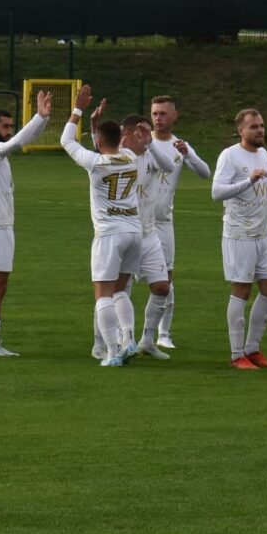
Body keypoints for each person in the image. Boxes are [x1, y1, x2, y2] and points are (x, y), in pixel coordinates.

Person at [60, 84, 150, 367]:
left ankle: (111, 352)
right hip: (135, 231)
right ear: (121, 137)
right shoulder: (131, 158)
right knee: (121, 291)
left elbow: (66, 141)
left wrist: (78, 110)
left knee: (103, 293)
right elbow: (112, 143)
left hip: (109, 233)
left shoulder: (96, 163)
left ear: (98, 140)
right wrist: (96, 124)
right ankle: (129, 339)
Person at [87, 106, 179, 361]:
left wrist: (150, 144)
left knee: (162, 287)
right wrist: (94, 127)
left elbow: (168, 167)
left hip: (148, 234)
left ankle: (146, 341)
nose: (145, 134)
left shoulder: (150, 155)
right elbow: (98, 152)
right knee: (115, 289)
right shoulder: (122, 156)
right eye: (140, 131)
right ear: (125, 135)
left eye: (147, 131)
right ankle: (103, 342)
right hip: (124, 230)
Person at [0, 91, 52, 356]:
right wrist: (40, 117)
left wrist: (43, 120)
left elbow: (22, 141)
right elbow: (16, 143)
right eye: (5, 125)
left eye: (11, 126)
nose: (9, 130)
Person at [212, 108, 267, 369]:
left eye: (261, 125)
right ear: (241, 131)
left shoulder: (263, 154)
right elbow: (217, 192)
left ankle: (253, 349)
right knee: (242, 291)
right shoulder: (230, 156)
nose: (259, 130)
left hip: (263, 234)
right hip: (239, 234)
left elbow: (265, 188)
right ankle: (237, 355)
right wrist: (248, 181)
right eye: (253, 127)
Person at [145, 95, 212, 351]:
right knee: (125, 277)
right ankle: (121, 332)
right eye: (154, 113)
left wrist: (188, 155)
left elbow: (205, 173)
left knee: (166, 278)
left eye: (163, 113)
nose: (158, 118)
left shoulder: (179, 145)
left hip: (164, 222)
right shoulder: (143, 142)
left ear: (174, 116)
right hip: (139, 221)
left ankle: (163, 333)